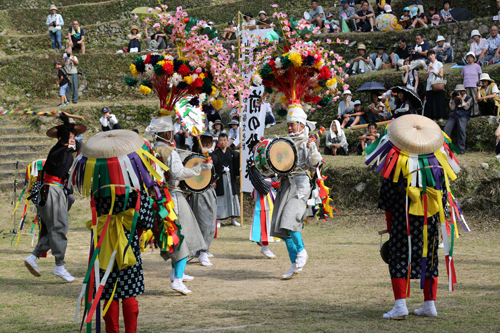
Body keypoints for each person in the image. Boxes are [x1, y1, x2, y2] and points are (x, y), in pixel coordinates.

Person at [147, 116, 212, 295]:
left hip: (161, 198)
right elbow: (178, 172)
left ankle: (177, 273)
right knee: (183, 236)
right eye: (172, 132)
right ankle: (177, 279)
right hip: (172, 197)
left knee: (176, 236)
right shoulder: (168, 151)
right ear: (167, 133)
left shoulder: (152, 148)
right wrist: (201, 169)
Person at [24, 113, 86, 282]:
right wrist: (66, 123)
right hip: (50, 191)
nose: (73, 139)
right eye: (70, 136)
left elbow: (80, 146)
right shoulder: (58, 150)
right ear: (62, 137)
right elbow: (67, 143)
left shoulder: (68, 152)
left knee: (54, 227)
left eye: (74, 136)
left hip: (58, 192)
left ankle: (33, 256)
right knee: (59, 227)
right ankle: (59, 265)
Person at [271, 108, 322, 279]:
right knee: (282, 227)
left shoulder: (308, 142)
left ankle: (302, 251)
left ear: (301, 124)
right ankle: (294, 264)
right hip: (286, 184)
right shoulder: (284, 142)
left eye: (292, 125)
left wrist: (313, 150)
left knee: (289, 218)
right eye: (288, 125)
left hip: (301, 184)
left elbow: (315, 165)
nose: (289, 128)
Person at [187, 132, 218, 266]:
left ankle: (203, 250)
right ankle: (201, 251)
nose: (206, 144)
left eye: (208, 142)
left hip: (208, 191)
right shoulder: (193, 156)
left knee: (209, 221)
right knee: (200, 222)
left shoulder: (213, 156)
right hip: (196, 192)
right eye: (204, 141)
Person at [213, 133, 241, 227]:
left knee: (232, 197)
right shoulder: (215, 153)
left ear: (227, 141)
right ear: (218, 142)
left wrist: (241, 148)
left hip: (230, 178)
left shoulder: (231, 152)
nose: (223, 142)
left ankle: (233, 219)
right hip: (220, 179)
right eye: (221, 140)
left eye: (224, 140)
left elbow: (239, 157)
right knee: (220, 199)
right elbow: (212, 167)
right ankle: (219, 220)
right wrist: (214, 180)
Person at [444, 84, 472, 154]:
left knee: (461, 129)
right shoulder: (454, 98)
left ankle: (461, 149)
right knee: (446, 129)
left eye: (461, 91)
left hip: (464, 115)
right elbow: (452, 108)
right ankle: (446, 148)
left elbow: (466, 108)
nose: (459, 93)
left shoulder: (469, 98)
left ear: (463, 91)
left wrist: (461, 99)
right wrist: (452, 98)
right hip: (454, 115)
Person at [425, 50, 447, 120]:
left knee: (440, 102)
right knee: (431, 102)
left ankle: (441, 117)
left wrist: (433, 72)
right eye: (429, 55)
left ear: (435, 55)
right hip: (430, 86)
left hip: (438, 85)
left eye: (431, 55)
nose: (430, 57)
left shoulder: (439, 64)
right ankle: (433, 117)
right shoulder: (428, 65)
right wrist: (428, 68)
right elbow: (426, 77)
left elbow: (441, 74)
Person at [461, 51, 482, 117]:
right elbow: (464, 76)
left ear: (473, 58)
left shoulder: (477, 66)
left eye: (471, 57)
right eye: (468, 57)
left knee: (475, 99)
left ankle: (476, 113)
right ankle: (469, 113)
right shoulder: (464, 67)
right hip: (466, 85)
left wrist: (478, 84)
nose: (469, 59)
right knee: (468, 100)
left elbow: (480, 75)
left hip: (474, 85)